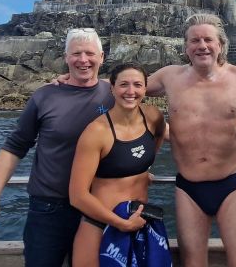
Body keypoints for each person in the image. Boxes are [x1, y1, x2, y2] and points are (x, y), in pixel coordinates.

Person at [57, 14, 236, 267]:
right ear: (186, 47)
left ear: (221, 44)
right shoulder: (170, 77)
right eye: (195, 40)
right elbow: (126, 86)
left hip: (231, 185)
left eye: (208, 40)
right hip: (189, 188)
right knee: (192, 262)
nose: (202, 46)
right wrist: (72, 79)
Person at [0, 27, 113, 267]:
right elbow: (14, 147)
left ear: (101, 57)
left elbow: (147, 123)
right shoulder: (44, 96)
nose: (83, 60)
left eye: (90, 53)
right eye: (76, 53)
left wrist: (140, 171)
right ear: (66, 58)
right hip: (49, 209)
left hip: (100, 206)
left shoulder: (115, 93)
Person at [69, 62, 171, 267]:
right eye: (124, 84)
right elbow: (77, 196)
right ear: (112, 88)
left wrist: (142, 168)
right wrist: (121, 224)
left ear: (145, 88)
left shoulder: (152, 116)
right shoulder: (96, 132)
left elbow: (157, 139)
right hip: (101, 224)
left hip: (139, 221)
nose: (131, 91)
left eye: (137, 85)